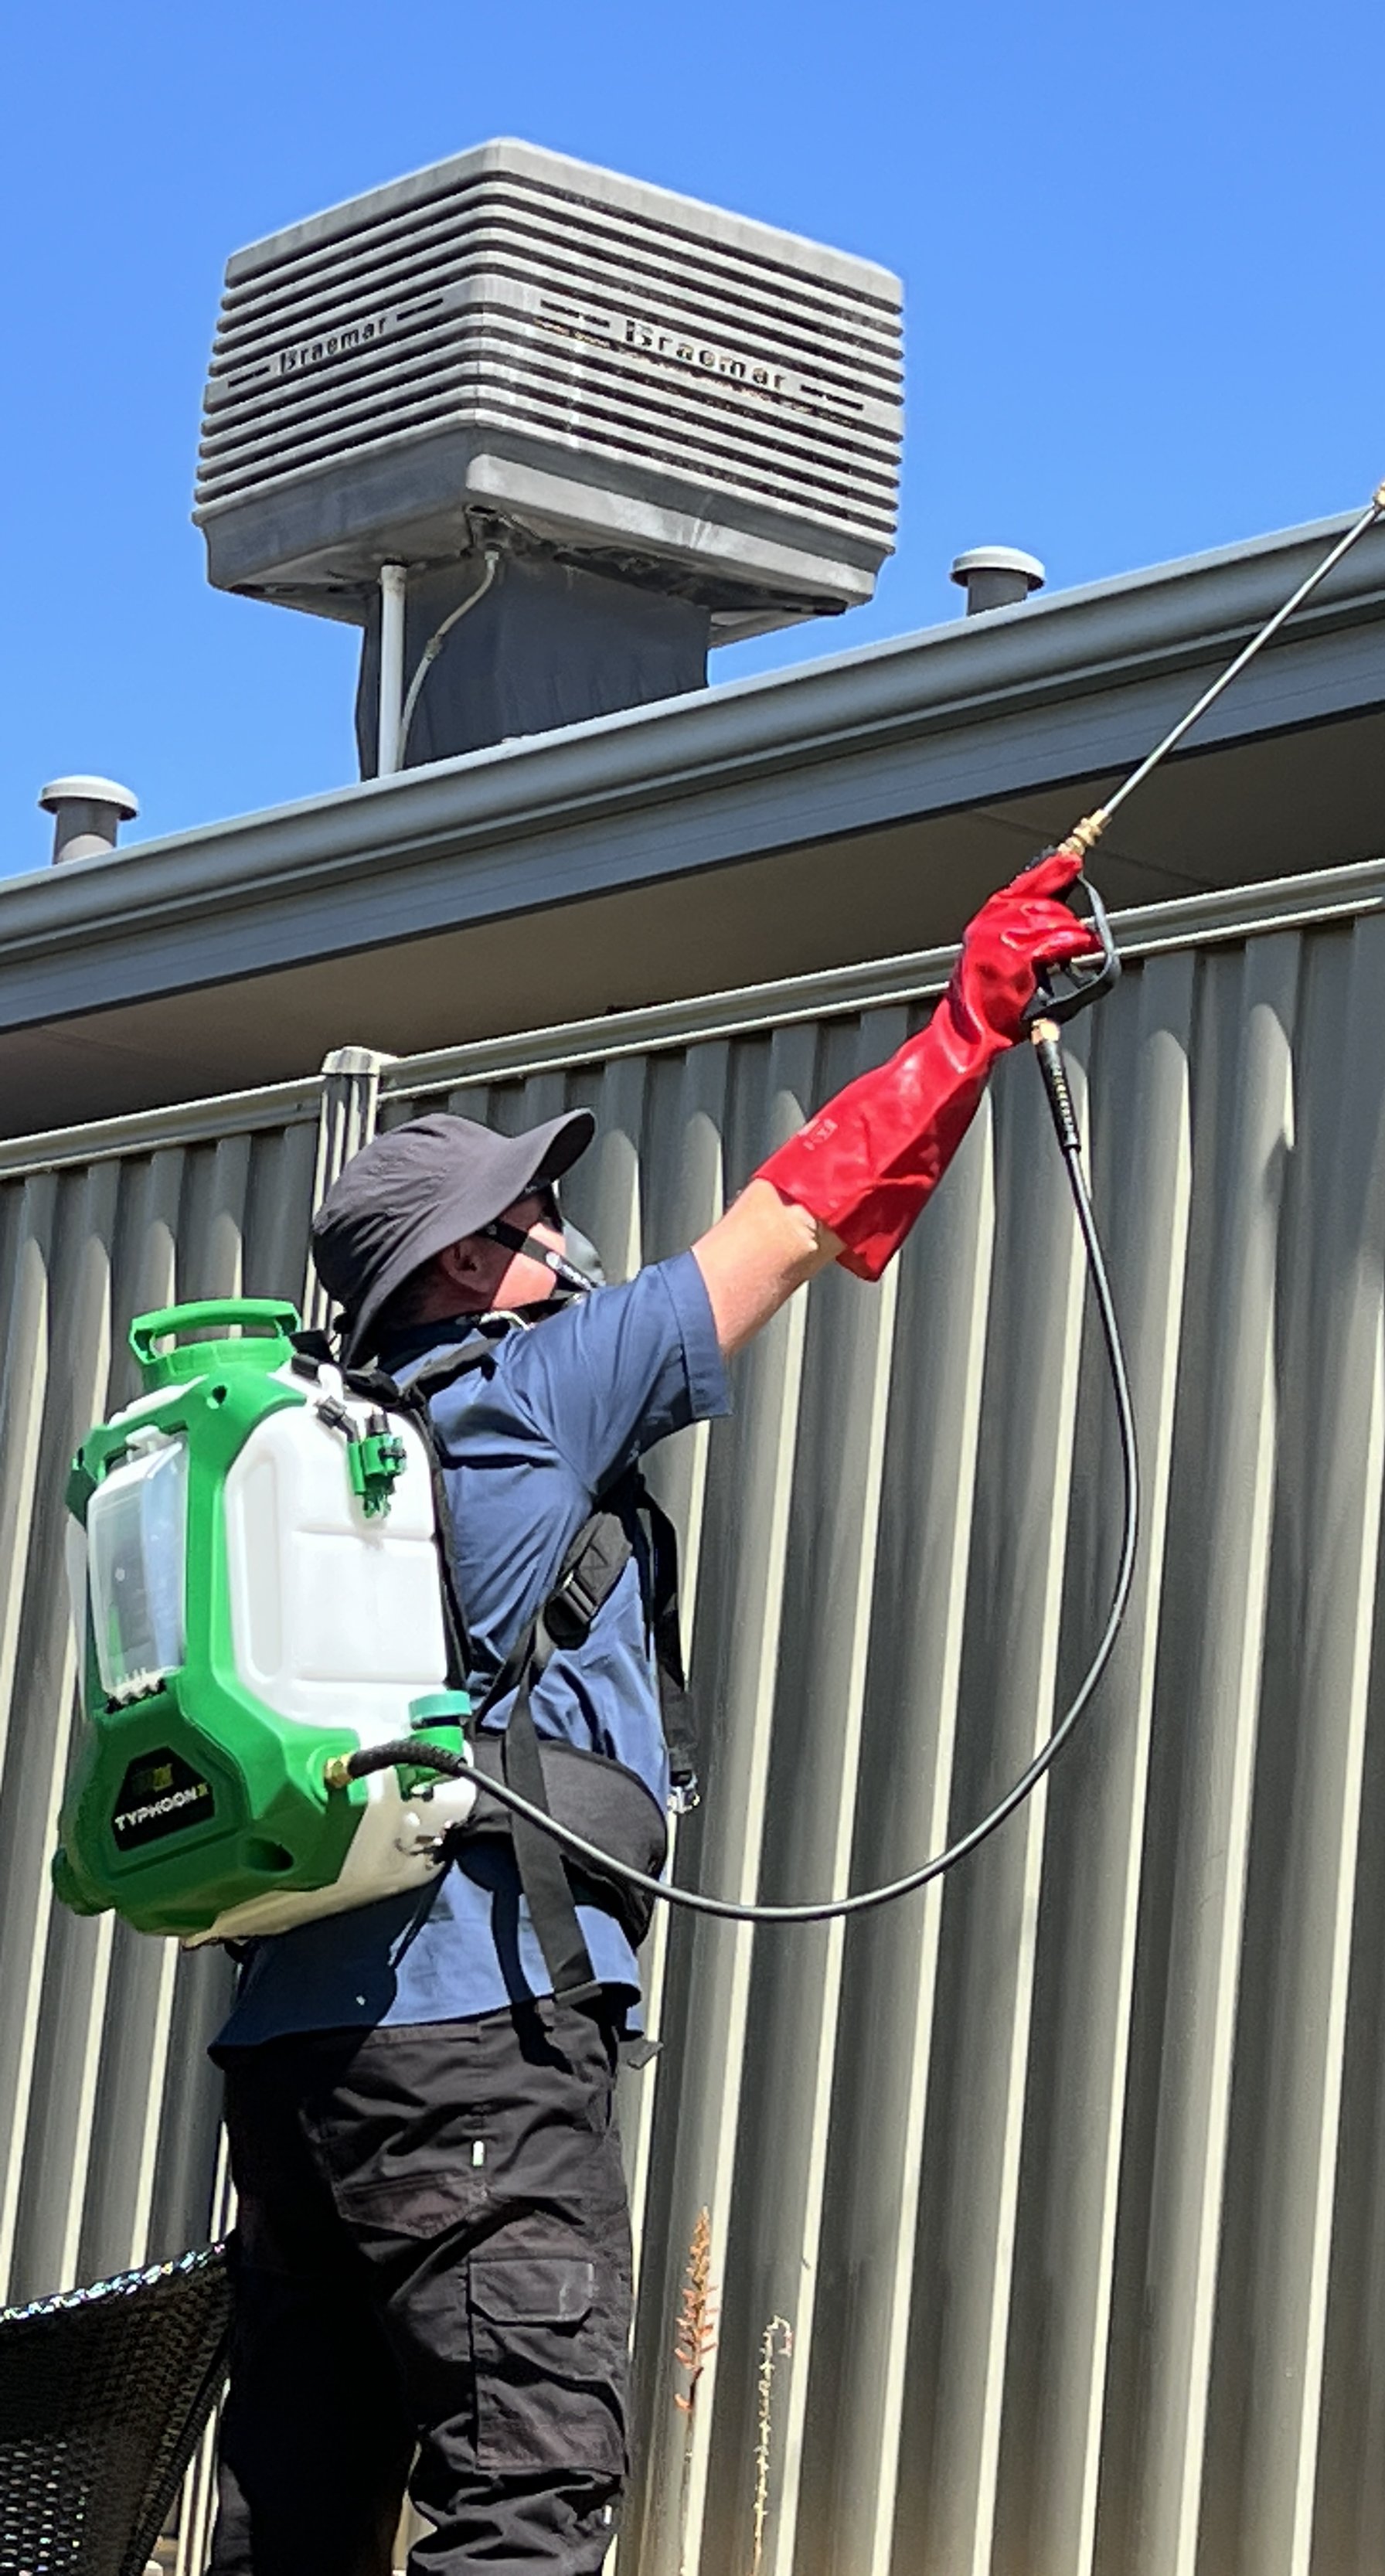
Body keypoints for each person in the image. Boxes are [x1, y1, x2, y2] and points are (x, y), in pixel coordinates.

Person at [207, 849, 1096, 2576]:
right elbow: (791, 1216)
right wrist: (974, 1014)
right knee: (526, 2489)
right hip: (476, 2040)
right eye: (531, 1215)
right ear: (467, 1263)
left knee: (303, 2502)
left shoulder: (343, 1457)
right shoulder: (525, 1395)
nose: (562, 1233)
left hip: (295, 2048)